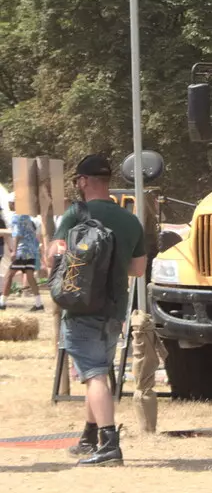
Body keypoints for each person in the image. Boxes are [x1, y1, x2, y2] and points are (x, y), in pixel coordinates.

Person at [46, 155, 148, 466]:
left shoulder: (76, 214)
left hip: (80, 308)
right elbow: (138, 269)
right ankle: (89, 437)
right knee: (99, 370)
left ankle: (109, 443)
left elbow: (55, 257)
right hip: (114, 309)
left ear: (83, 181)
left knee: (93, 375)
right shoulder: (131, 220)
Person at [0, 208, 43, 310]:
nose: (9, 204)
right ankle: (38, 303)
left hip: (22, 250)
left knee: (9, 275)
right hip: (31, 250)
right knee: (30, 277)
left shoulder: (16, 216)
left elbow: (17, 234)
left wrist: (14, 251)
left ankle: (2, 303)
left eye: (11, 202)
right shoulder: (27, 217)